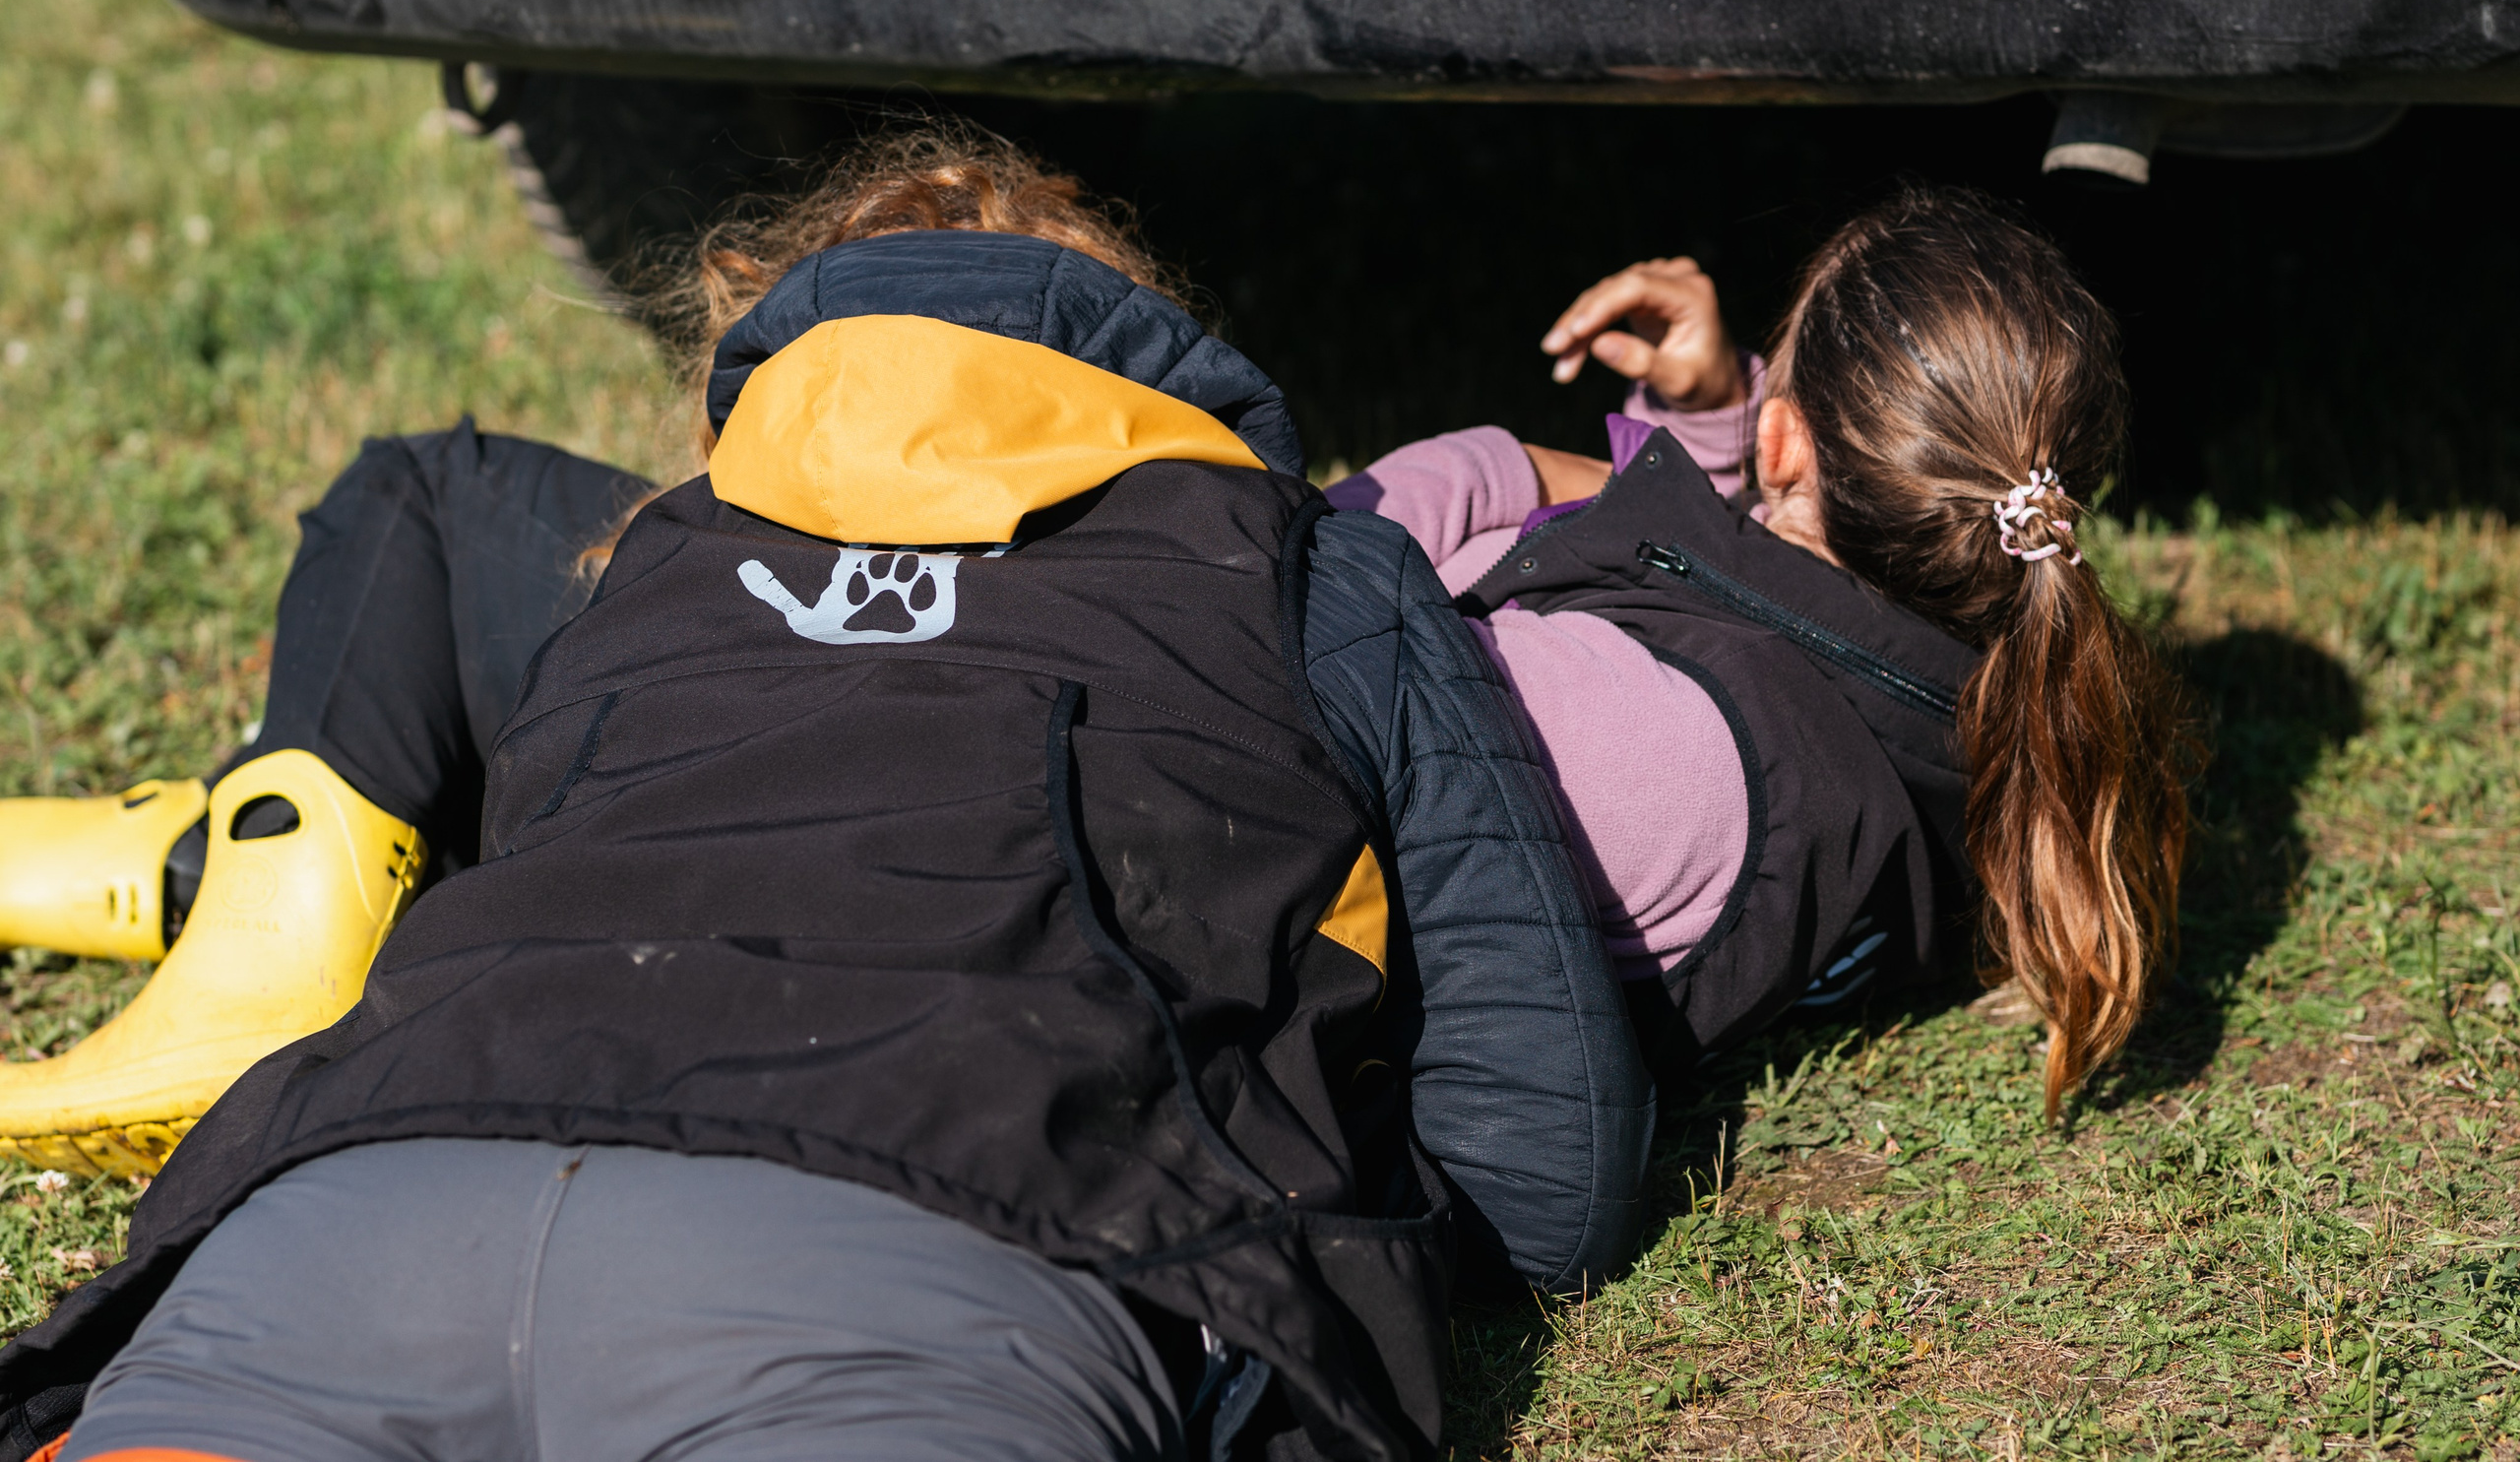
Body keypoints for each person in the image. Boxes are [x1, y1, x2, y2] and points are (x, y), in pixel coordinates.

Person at [0, 134, 1650, 1462]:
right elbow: (1543, 1149)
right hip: (945, 1238)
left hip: (359, 1198)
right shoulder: (1309, 566)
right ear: (1149, 362)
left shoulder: (655, 555)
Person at [1325, 191, 2191, 1117]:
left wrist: (1492, 464)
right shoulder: (1993, 737)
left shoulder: (1644, 736)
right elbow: (1760, 597)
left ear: (1777, 446)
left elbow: (1318, 629)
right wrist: (1706, 424)